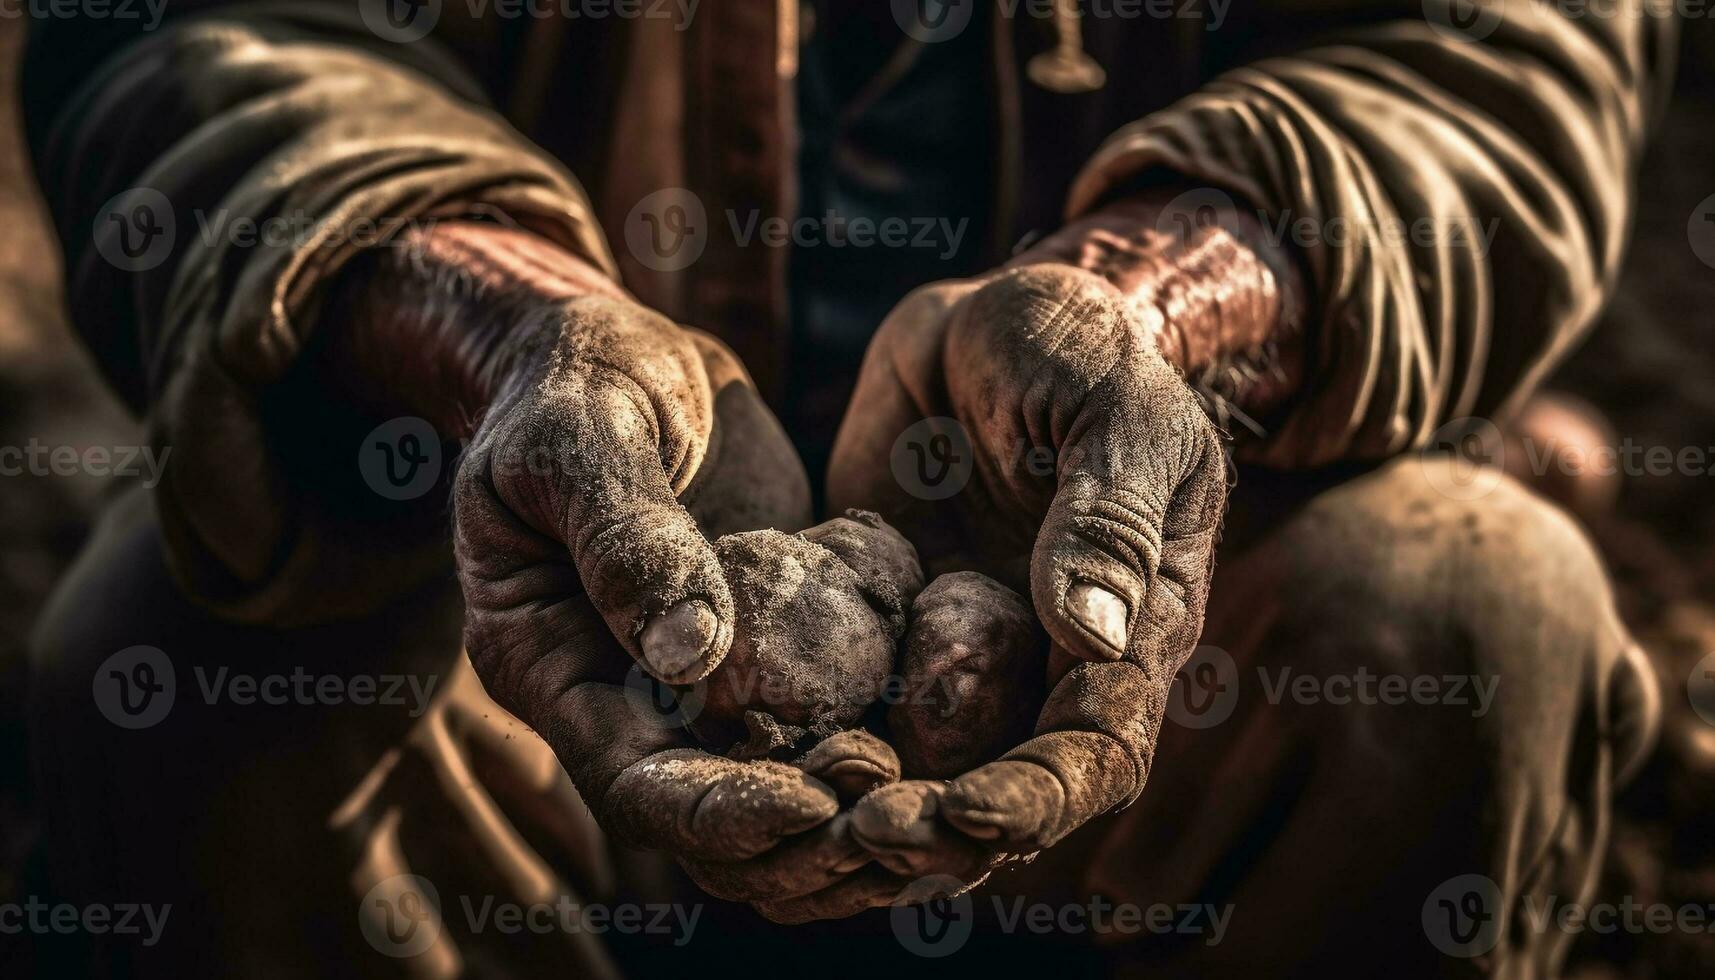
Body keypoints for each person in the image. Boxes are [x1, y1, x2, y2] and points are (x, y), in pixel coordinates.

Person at [20, 1, 1669, 975]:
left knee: (1472, 608)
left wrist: (1145, 303)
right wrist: (514, 334)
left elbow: (1510, 55)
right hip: (535, 564)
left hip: (1181, 554)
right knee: (155, 664)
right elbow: (179, 41)